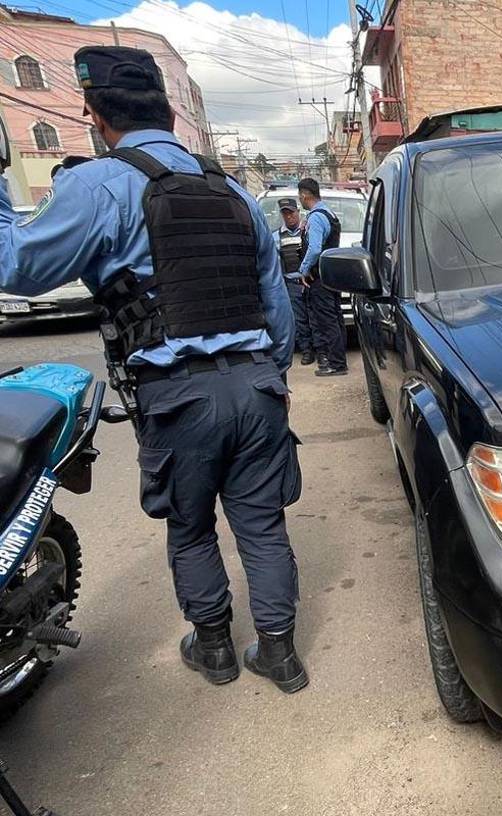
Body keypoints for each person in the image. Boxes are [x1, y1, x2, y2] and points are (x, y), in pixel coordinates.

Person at [0, 46, 309, 693]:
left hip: (180, 397)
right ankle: (279, 654)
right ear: (170, 112)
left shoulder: (96, 186)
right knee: (262, 524)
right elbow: (279, 312)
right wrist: (265, 381)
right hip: (257, 386)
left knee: (192, 528)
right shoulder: (232, 192)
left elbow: (17, 268)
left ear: (93, 115)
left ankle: (217, 650)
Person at [297, 177, 348, 376]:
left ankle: (336, 364)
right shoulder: (329, 213)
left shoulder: (316, 217)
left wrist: (304, 269)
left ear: (304, 194)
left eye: (299, 195)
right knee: (336, 318)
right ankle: (339, 360)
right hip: (331, 274)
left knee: (327, 320)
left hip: (319, 276)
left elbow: (315, 248)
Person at [277, 198, 315, 365]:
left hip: (312, 280)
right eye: (285, 214)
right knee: (299, 319)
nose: (289, 217)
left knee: (315, 317)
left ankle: (321, 350)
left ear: (298, 212)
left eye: (291, 213)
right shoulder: (276, 236)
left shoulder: (307, 230)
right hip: (292, 283)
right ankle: (307, 350)